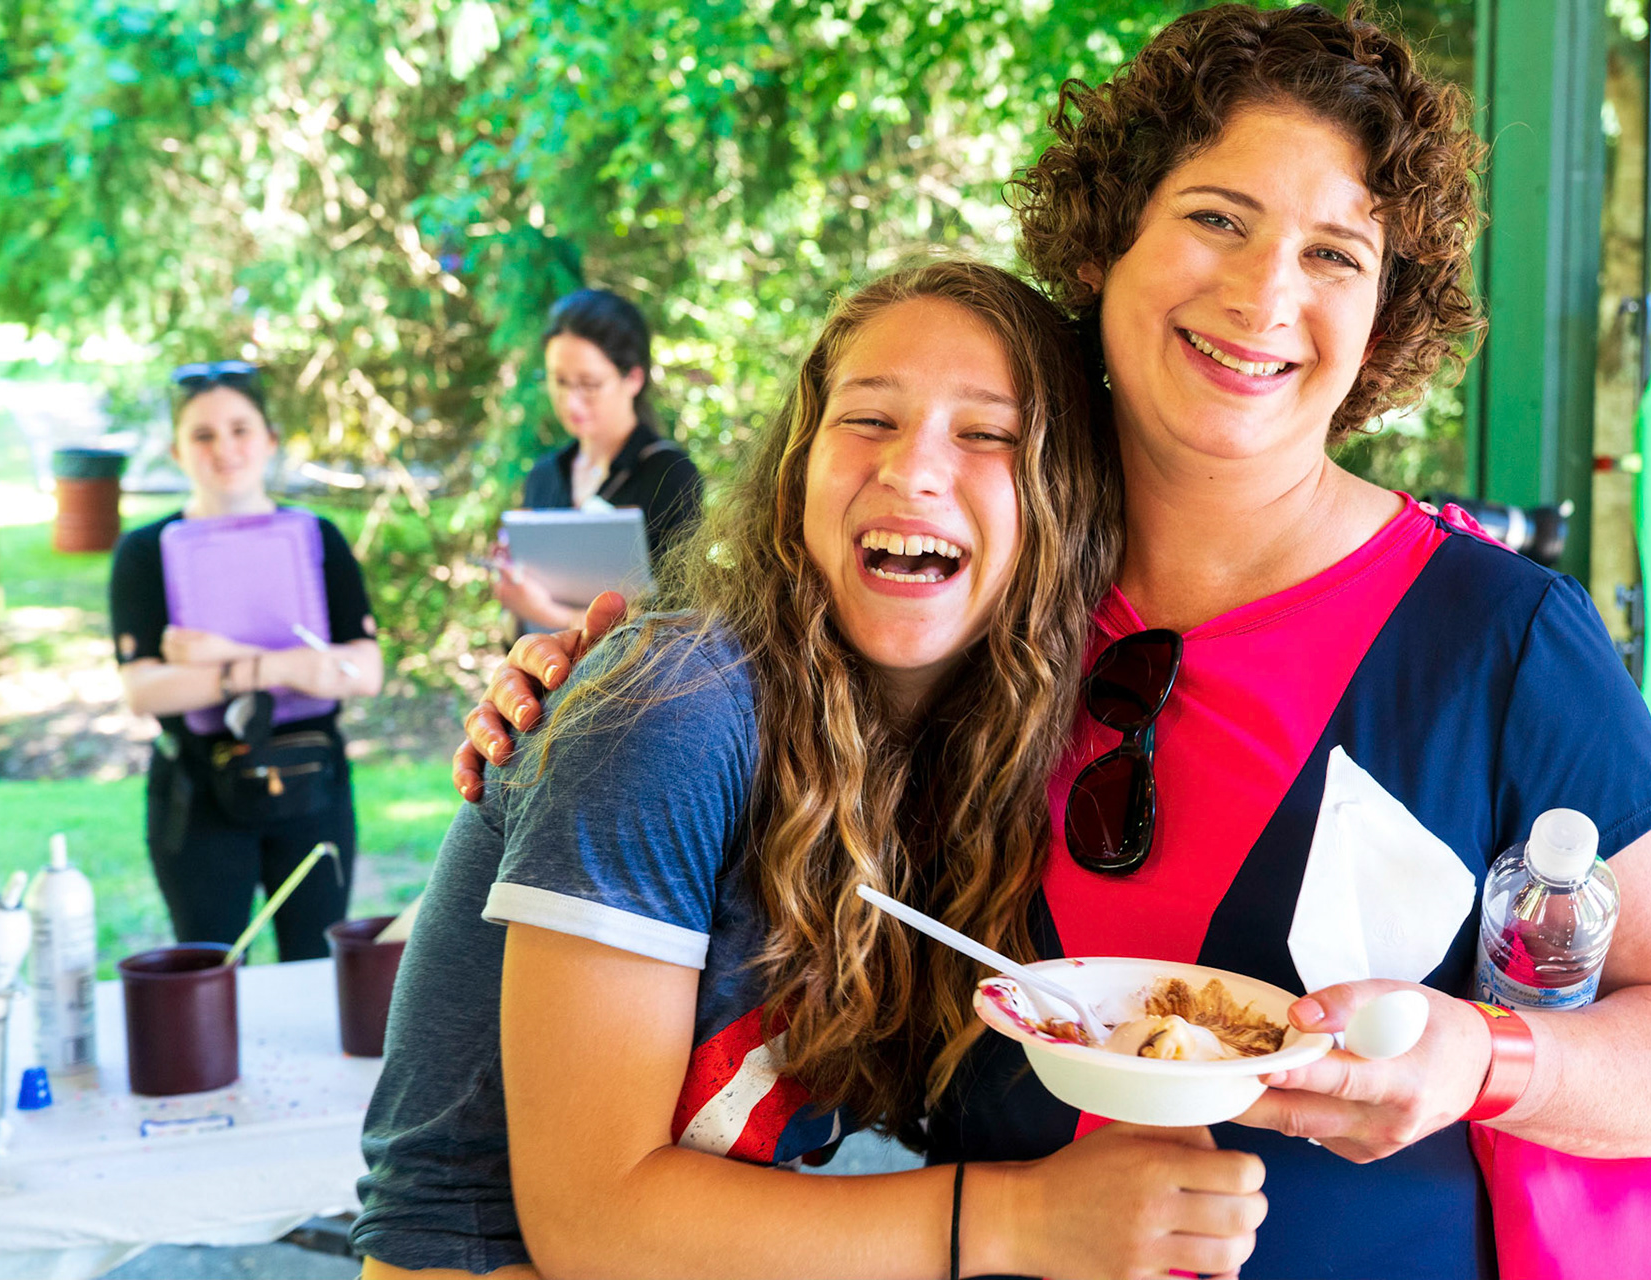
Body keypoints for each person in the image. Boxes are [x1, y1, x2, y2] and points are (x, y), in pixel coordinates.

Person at [460, 6, 1651, 1277]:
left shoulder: (1502, 637)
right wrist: (580, 695)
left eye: (1335, 255)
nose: (1264, 294)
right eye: (1216, 219)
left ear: (1386, 319)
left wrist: (1485, 1058)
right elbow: (739, 711)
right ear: (1107, 246)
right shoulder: (972, 594)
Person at [356, 260, 1269, 1280]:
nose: (913, 468)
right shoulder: (675, 706)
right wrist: (1024, 1218)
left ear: (1064, 503)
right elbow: (592, 1218)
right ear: (798, 471)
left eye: (988, 433)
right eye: (869, 419)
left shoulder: (967, 767)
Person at [111, 362, 383, 961]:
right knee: (211, 972)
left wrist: (226, 660)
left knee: (314, 969)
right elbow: (146, 691)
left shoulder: (318, 539)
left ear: (270, 439)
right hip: (197, 792)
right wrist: (290, 666)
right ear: (177, 451)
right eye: (203, 435)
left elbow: (362, 672)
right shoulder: (144, 552)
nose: (224, 449)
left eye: (239, 429)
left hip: (313, 787)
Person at [494, 288, 705, 632]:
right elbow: (515, 630)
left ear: (633, 378)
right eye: (559, 382)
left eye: (589, 384)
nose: (571, 402)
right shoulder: (545, 476)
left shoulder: (669, 474)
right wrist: (512, 588)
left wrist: (550, 614)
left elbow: (680, 622)